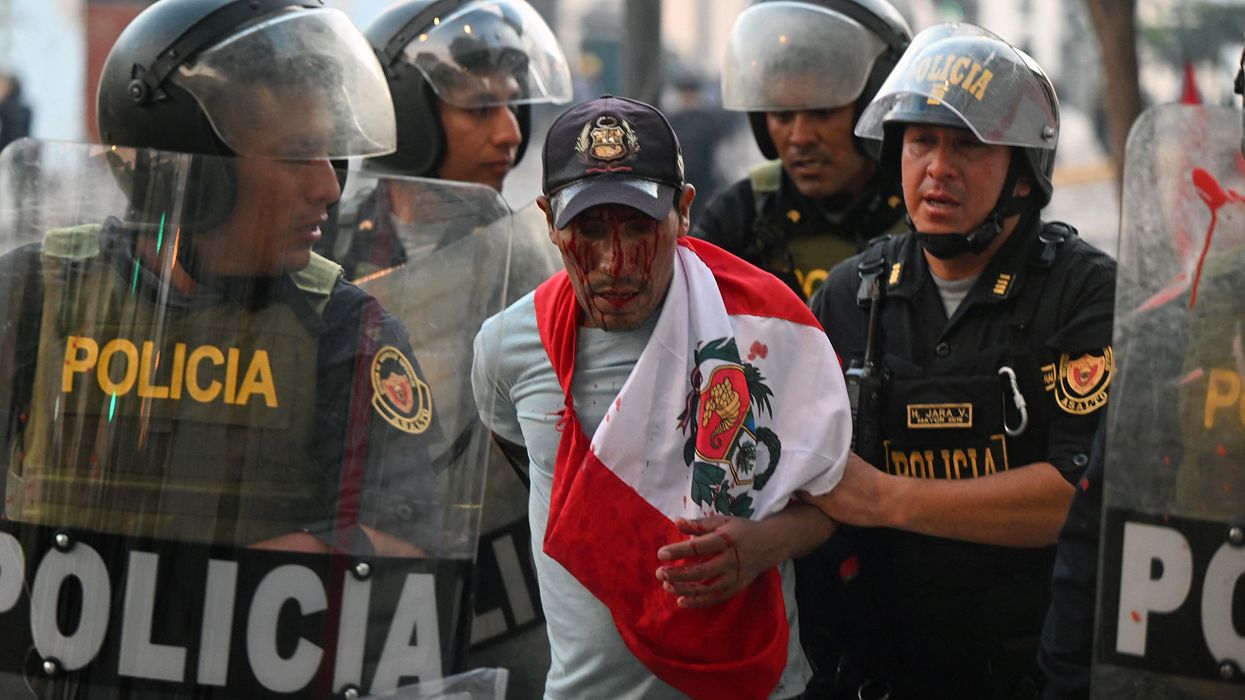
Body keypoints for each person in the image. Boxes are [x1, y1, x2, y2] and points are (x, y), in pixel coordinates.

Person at [0, 0, 438, 556]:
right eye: (299, 154)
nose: (329, 188)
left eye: (331, 156)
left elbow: (407, 542)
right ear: (193, 165)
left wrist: (196, 592)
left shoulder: (345, 330)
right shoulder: (35, 292)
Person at [471, 95, 854, 699]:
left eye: (639, 228)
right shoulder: (508, 347)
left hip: (754, 682)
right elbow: (523, 460)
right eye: (588, 230)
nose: (613, 263)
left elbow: (839, 496)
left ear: (685, 212)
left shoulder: (764, 332)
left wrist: (763, 544)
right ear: (548, 220)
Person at [803, 23, 1116, 698]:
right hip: (879, 673)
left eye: (967, 145)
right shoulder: (848, 295)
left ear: (1024, 177)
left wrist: (884, 497)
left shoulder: (1083, 292)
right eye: (920, 141)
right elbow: (817, 487)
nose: (936, 168)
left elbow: (1076, 498)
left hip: (1030, 673)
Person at [318, 0, 571, 279]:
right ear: (407, 116)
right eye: (479, 109)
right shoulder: (324, 242)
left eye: (514, 107)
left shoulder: (525, 256)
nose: (511, 135)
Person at [694, 0, 912, 301]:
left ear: (874, 106)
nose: (800, 137)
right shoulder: (740, 217)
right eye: (782, 116)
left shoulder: (924, 211)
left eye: (822, 112)